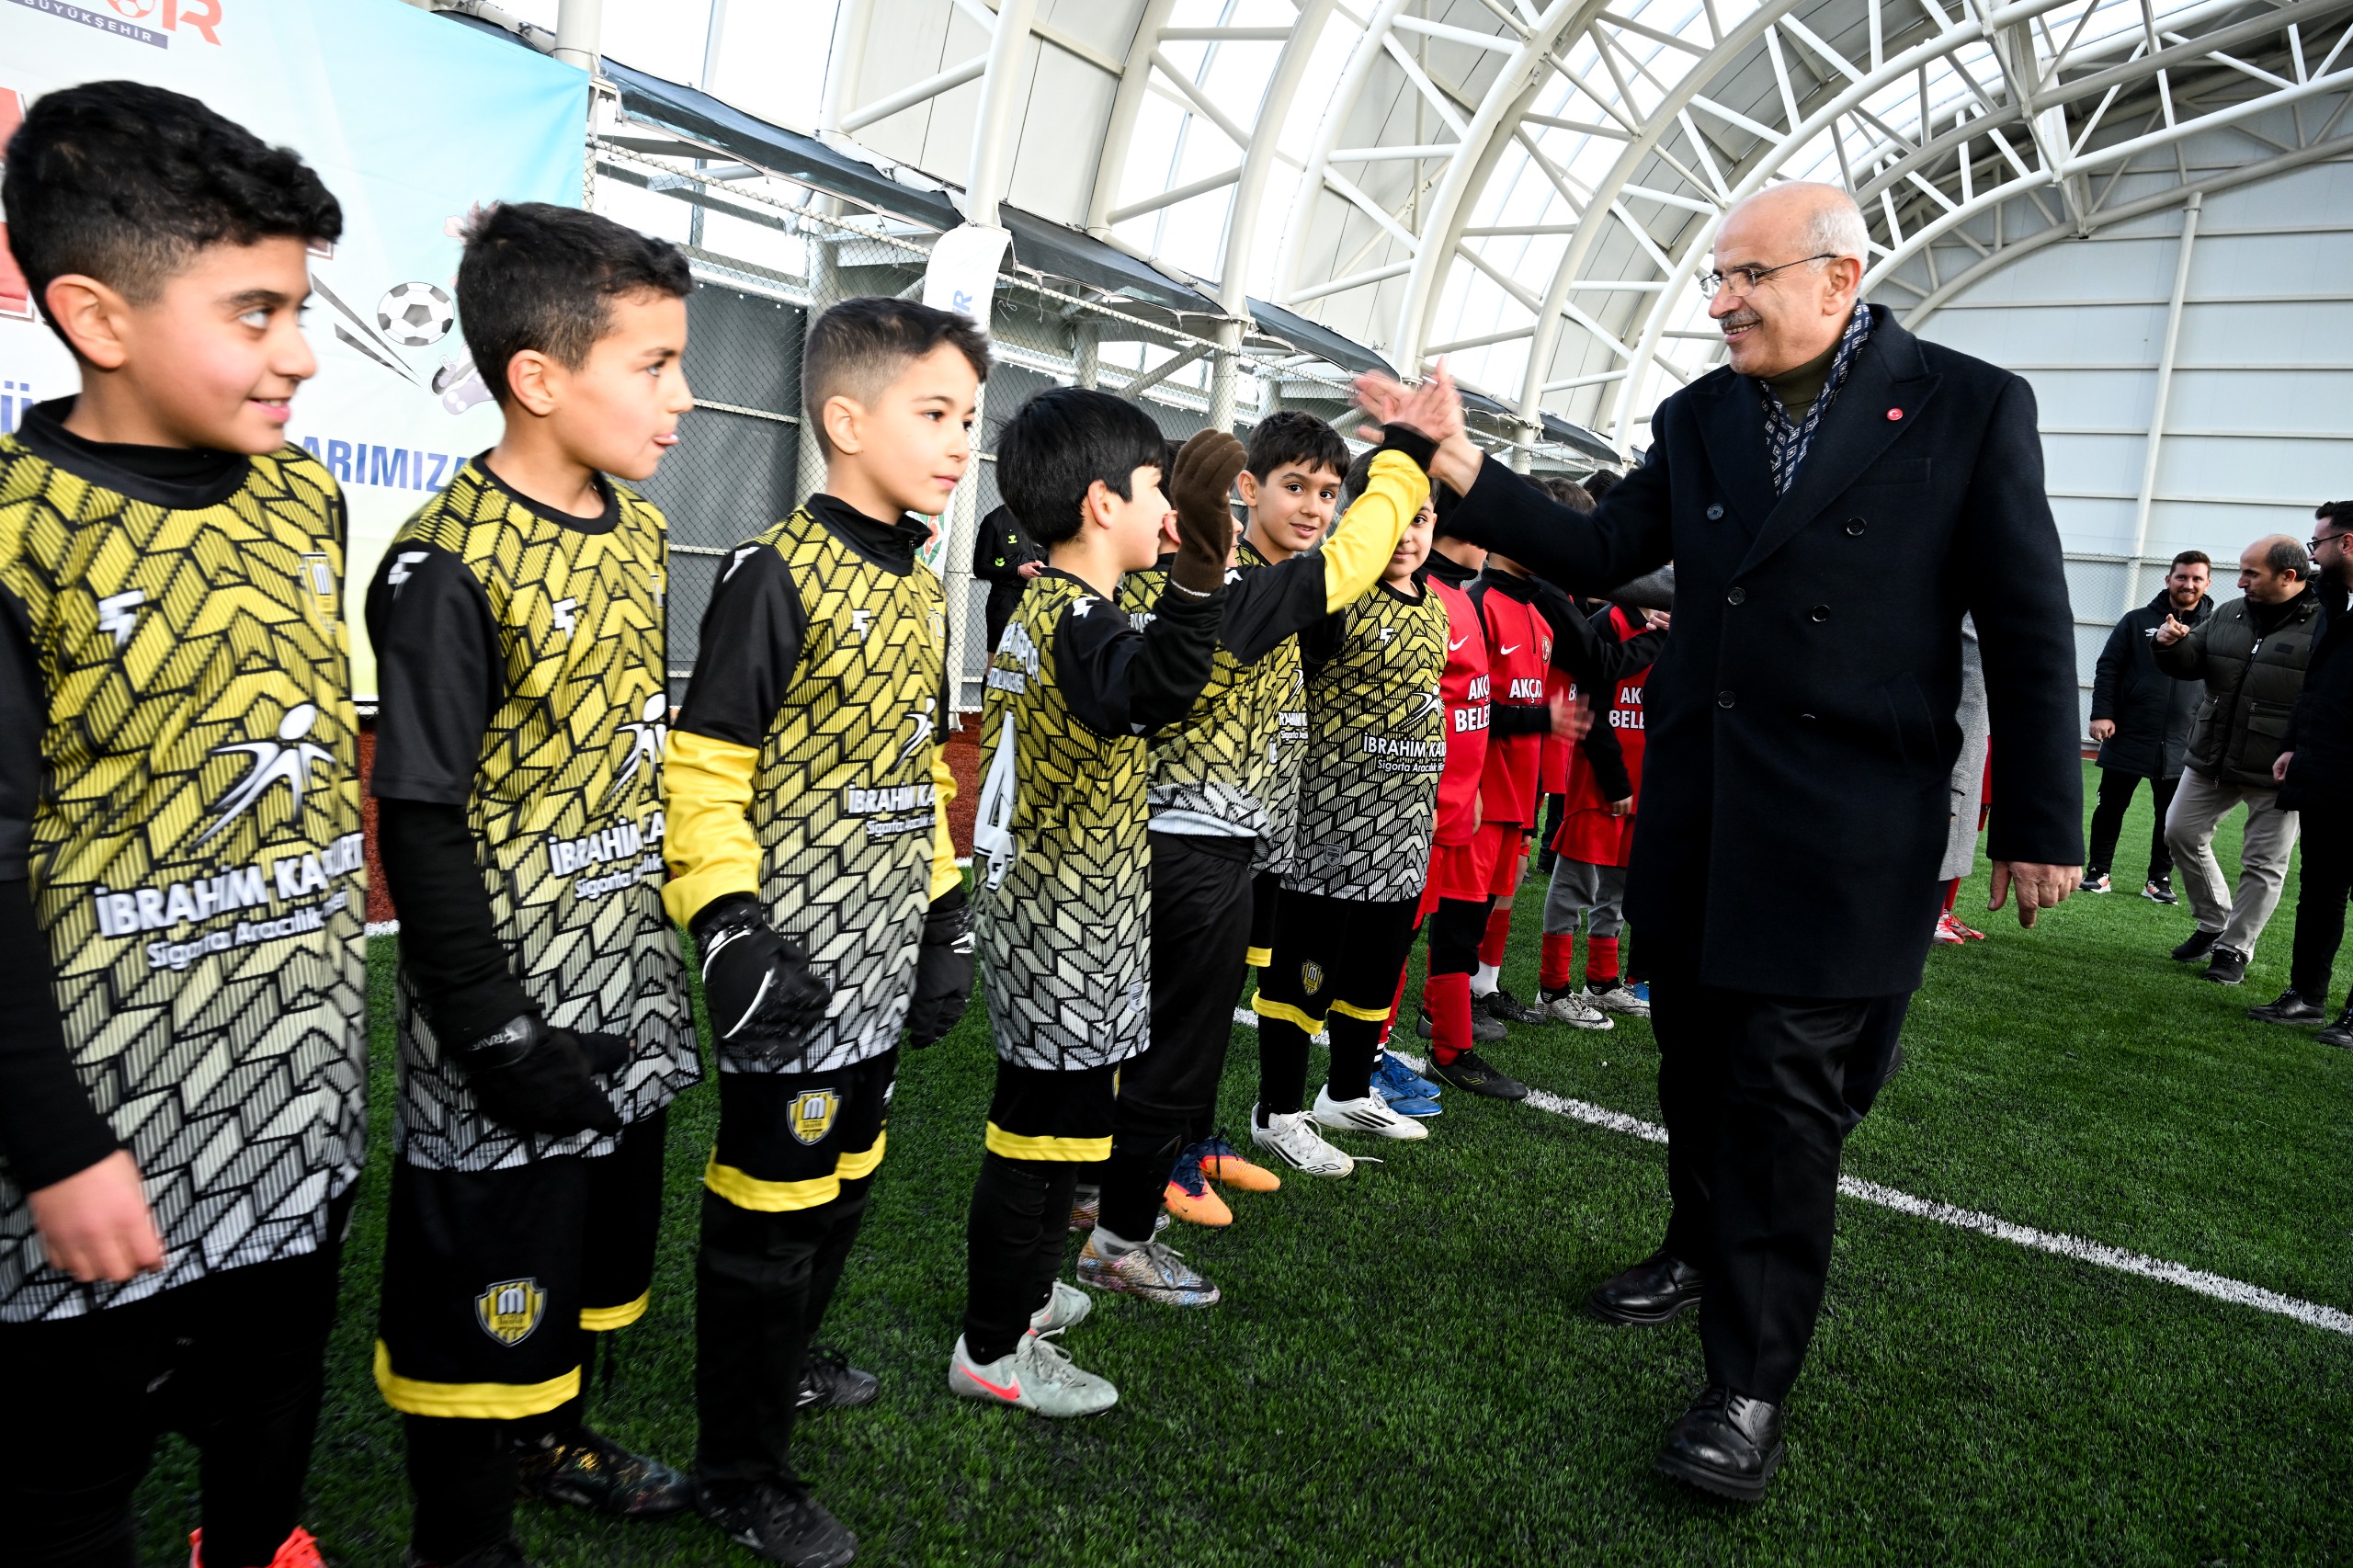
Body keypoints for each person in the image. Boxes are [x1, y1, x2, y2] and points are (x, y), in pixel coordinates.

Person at [1367, 181, 2084, 1500]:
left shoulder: (1970, 405)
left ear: (1838, 277)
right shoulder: (1700, 416)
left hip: (1848, 828)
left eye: (1747, 276)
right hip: (1701, 812)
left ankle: (1747, 1384)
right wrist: (1459, 464)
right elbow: (1597, 546)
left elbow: (2031, 619)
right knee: (1695, 1067)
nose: (1719, 303)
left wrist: (2040, 818)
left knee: (1785, 1103)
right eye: (1715, 277)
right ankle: (1697, 1244)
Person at [0, 83, 364, 1568]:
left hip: (295, 1107)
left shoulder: (306, 498)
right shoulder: (17, 532)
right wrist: (55, 1144)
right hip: (100, 1135)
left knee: (269, 1407)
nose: (300, 352)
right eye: (254, 312)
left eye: (300, 308)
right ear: (95, 315)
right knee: (67, 1475)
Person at [368, 203, 703, 1568]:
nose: (684, 397)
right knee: (480, 1296)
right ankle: (463, 1537)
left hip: (623, 984)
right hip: (508, 1015)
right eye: (655, 365)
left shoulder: (638, 528)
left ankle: (552, 1438)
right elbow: (420, 816)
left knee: (580, 1259)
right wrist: (493, 1026)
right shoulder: (445, 560)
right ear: (539, 378)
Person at [662, 296, 986, 1567]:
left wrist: (944, 915)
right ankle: (737, 1473)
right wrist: (730, 925)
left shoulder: (919, 581)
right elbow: (705, 765)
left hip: (879, 966)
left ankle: (786, 1365)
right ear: (845, 420)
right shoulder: (773, 570)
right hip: (791, 973)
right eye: (935, 413)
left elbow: (915, 771)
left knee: (846, 1182)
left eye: (969, 418)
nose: (961, 442)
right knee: (768, 1214)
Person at [952, 397, 1236, 1416]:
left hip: (1064, 915)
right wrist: (1201, 567)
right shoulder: (1077, 619)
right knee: (1039, 1145)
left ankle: (1027, 1298)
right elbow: (1158, 688)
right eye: (1157, 488)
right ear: (1101, 502)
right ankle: (994, 1347)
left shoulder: (1057, 610)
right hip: (1064, 927)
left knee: (1063, 1133)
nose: (1168, 511)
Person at [1101, 410, 1422, 1261]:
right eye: (1296, 487)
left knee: (1210, 1012)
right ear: (1246, 489)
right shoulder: (1230, 584)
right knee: (1170, 1020)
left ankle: (1193, 1143)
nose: (1315, 507)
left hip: (1253, 835)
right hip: (1187, 835)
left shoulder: (1283, 589)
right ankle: (1142, 1182)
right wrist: (1408, 461)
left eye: (1329, 491)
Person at [1254, 449, 1449, 1145]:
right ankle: (1277, 1112)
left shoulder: (1436, 609)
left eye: (1421, 519)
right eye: (1394, 518)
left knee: (1373, 974)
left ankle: (1348, 1094)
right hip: (1327, 831)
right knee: (1303, 974)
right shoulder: (1331, 599)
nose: (1408, 535)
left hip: (1403, 832)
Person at [2154, 535, 2322, 985]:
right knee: (2180, 832)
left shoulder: (2326, 622)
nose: (2241, 581)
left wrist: (2306, 749)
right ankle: (2214, 923)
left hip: (2280, 764)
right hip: (2213, 751)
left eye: (2251, 573)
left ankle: (2234, 948)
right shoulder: (2230, 612)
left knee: (2264, 863)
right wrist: (2171, 644)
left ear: (2288, 576)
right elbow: (2193, 661)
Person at [2249, 504, 2353, 1039]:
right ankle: (2306, 995)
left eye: (2319, 544)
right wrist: (2294, 745)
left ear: (2348, 543)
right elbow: (2317, 687)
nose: (2313, 555)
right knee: (2320, 888)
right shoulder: (2334, 604)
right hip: (2324, 767)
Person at [1538, 598, 1667, 1017]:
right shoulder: (1607, 623)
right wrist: (1614, 779)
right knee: (1575, 883)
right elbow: (1590, 709)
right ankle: (1553, 989)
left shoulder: (1673, 626)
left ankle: (1601, 982)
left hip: (1644, 780)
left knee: (1618, 888)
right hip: (1601, 780)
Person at [2086, 551, 2213, 901]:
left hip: (2184, 738)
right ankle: (2098, 873)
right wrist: (2102, 713)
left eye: (2196, 578)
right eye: (2182, 577)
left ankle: (2159, 880)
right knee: (2110, 807)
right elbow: (2108, 667)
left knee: (2171, 817)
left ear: (2207, 583)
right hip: (2128, 732)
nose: (2188, 584)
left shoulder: (2216, 627)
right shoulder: (2136, 620)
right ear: (2169, 579)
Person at [1931, 617, 1991, 944]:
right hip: (1948, 733)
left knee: (1970, 817)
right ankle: (1934, 912)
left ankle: (1942, 910)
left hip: (1979, 733)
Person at [972, 501, 1041, 659]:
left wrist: (1045, 567)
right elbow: (980, 568)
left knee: (1029, 661)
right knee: (997, 660)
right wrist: (1017, 570)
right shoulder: (993, 520)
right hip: (1004, 600)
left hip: (1034, 598)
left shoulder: (1039, 518)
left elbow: (1049, 555)